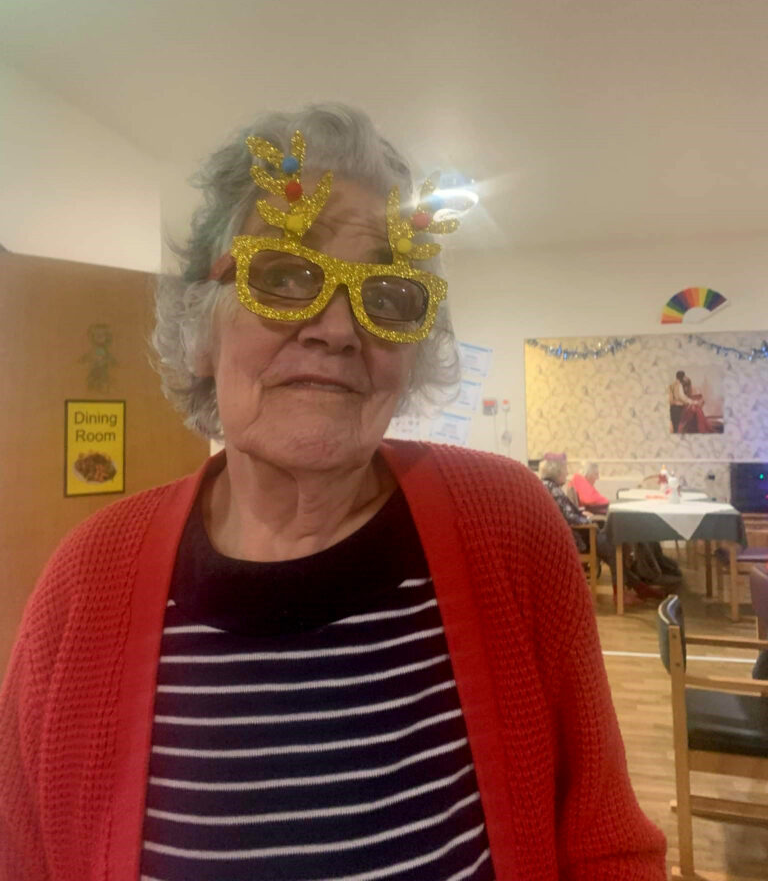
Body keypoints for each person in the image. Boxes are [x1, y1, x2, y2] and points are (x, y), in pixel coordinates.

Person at [0, 105, 666, 881]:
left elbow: (605, 846)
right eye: (283, 276)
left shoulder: (508, 525)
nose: (339, 329)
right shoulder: (87, 580)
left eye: (387, 295)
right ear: (200, 329)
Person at [539, 454, 663, 607]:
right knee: (615, 547)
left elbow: (566, 514)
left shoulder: (547, 487)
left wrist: (584, 515)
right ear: (556, 472)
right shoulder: (554, 490)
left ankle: (637, 588)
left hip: (575, 536)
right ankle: (624, 594)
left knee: (616, 545)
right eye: (564, 470)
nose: (566, 473)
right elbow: (570, 518)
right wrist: (589, 521)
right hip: (580, 539)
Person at [670, 370, 711, 434]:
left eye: (687, 386)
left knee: (676, 427)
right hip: (678, 407)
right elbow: (682, 397)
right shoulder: (679, 385)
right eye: (685, 386)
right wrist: (693, 402)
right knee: (677, 427)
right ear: (682, 377)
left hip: (674, 407)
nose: (686, 388)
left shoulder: (673, 384)